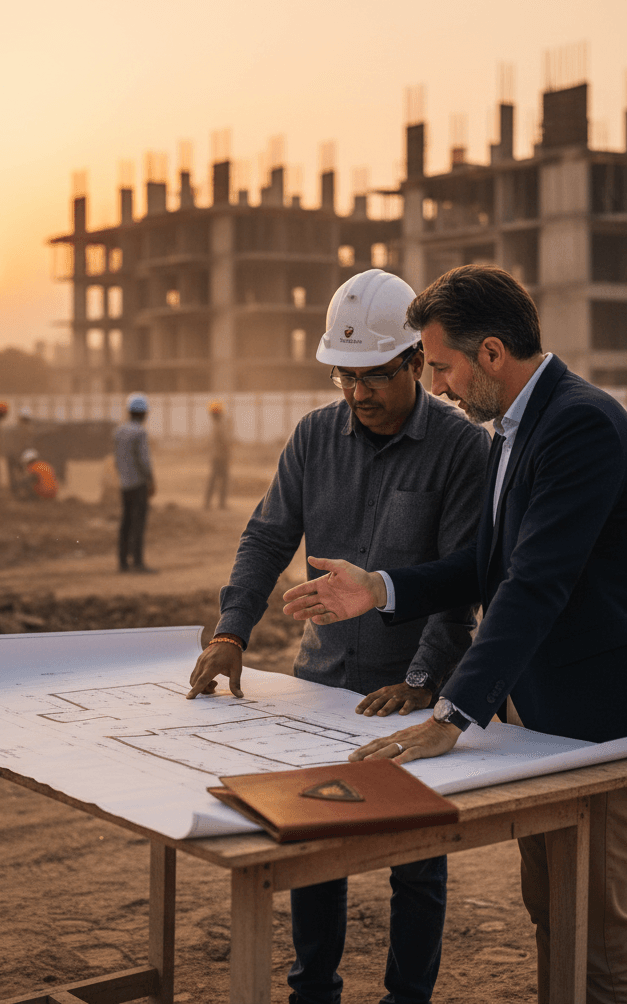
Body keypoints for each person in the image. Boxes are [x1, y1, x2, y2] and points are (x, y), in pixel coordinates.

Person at [283, 264, 627, 1004]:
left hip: (605, 720)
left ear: (493, 354)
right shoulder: (513, 427)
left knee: (596, 938)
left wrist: (452, 710)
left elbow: (534, 585)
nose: (437, 385)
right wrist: (379, 588)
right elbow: (485, 568)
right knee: (552, 915)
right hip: (546, 721)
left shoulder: (581, 425)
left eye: (441, 366)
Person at [187, 268, 490, 1004]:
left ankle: (406, 997)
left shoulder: (459, 450)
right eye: (343, 376)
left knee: (415, 861)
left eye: (376, 376)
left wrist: (420, 685)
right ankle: (312, 992)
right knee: (313, 844)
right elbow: (265, 539)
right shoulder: (315, 438)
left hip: (410, 695)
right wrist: (232, 632)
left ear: (418, 362)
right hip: (318, 685)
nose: (358, 394)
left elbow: (459, 586)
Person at [114, 393, 156, 573]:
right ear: (142, 413)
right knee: (138, 522)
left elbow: (116, 460)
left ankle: (123, 562)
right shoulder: (140, 432)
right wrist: (151, 479)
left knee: (126, 522)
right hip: (138, 483)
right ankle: (137, 562)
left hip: (124, 484)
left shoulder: (119, 431)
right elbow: (144, 460)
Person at [203, 400, 231, 509]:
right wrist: (228, 453)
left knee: (213, 479)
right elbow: (225, 442)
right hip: (221, 457)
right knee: (222, 480)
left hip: (215, 457)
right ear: (219, 413)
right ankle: (221, 504)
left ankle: (207, 503)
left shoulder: (215, 425)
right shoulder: (220, 426)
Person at [2, 407, 36, 495]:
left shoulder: (12, 428)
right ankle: (21, 489)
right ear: (28, 419)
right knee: (22, 473)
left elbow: (6, 439)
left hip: (10, 454)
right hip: (21, 455)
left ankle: (13, 490)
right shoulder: (30, 430)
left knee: (11, 473)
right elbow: (29, 445)